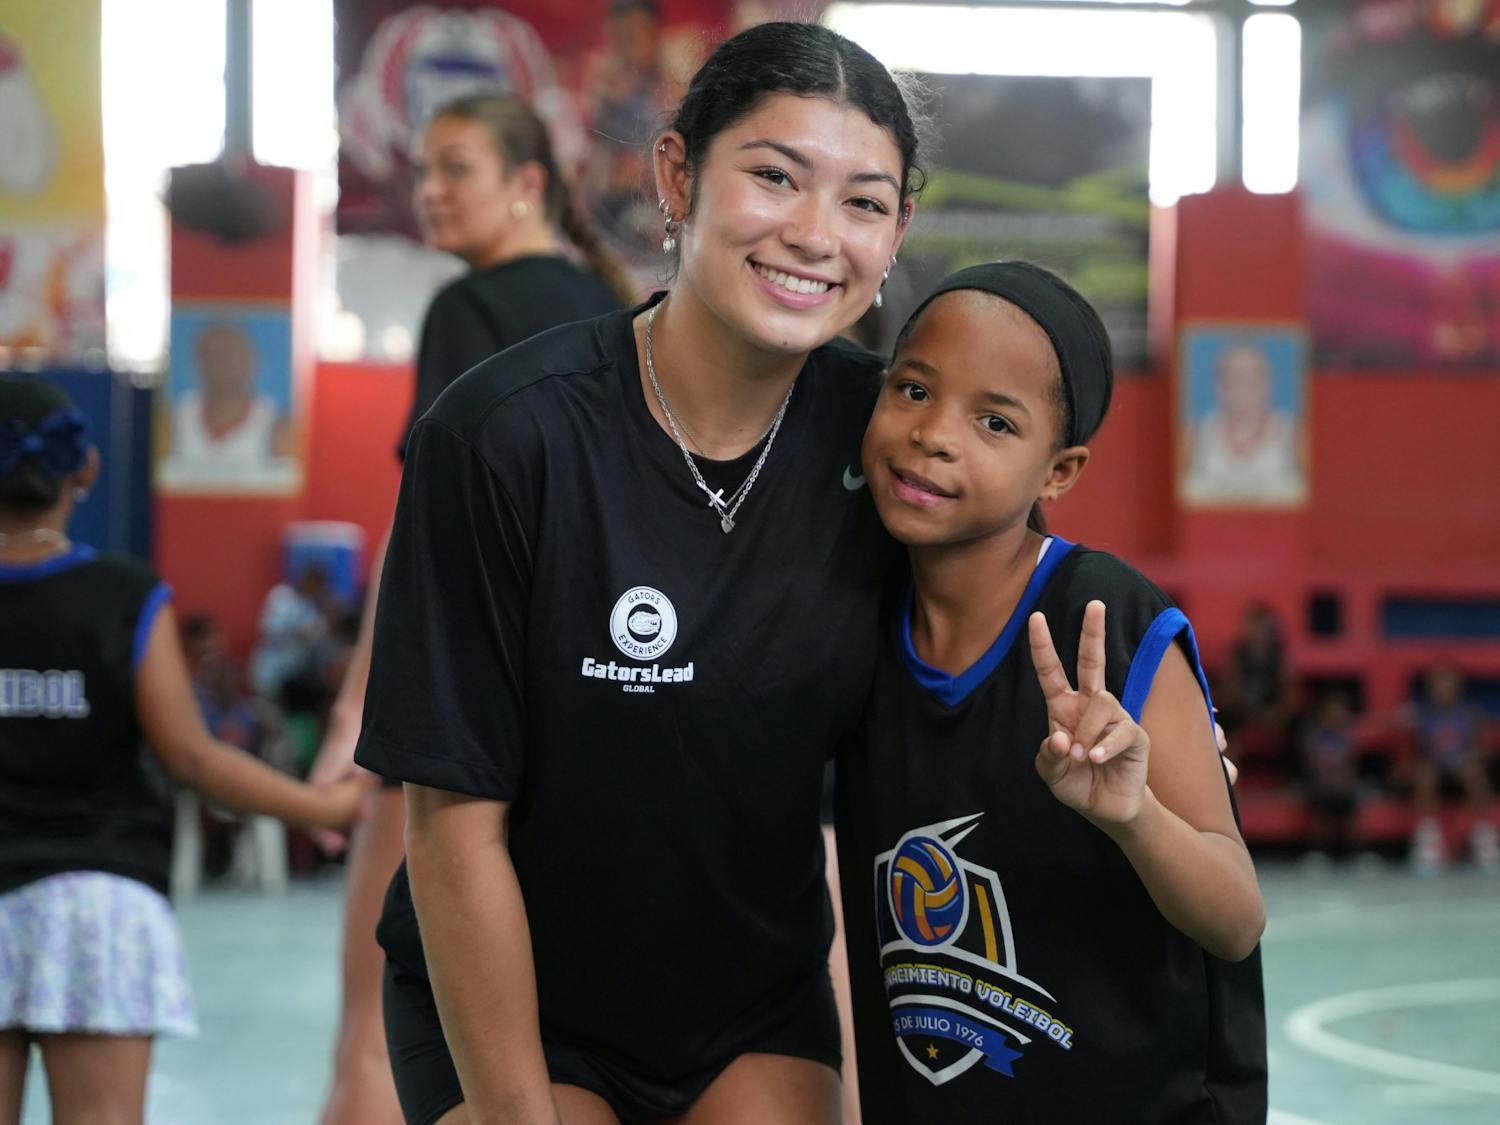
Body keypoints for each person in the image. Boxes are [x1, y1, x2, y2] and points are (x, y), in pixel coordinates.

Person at [352, 22, 920, 1125]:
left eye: (862, 201)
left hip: (748, 1002)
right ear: (676, 175)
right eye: (774, 176)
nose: (814, 234)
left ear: (896, 233)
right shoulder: (502, 437)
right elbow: (453, 822)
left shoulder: (893, 448)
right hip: (515, 995)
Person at [835, 262, 1267, 1121]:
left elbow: (1236, 917)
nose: (934, 435)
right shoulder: (847, 618)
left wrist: (1131, 813)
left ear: (1058, 472)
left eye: (995, 421)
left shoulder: (1108, 617)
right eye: (914, 389)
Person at [310, 92, 633, 1125]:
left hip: (466, 696)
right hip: (599, 711)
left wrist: (360, 705)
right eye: (420, 173)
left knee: (370, 1034)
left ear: (527, 184)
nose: (429, 194)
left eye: (455, 169)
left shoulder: (471, 307)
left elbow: (424, 531)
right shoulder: (617, 309)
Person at [0, 376, 364, 1125]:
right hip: (97, 899)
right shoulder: (124, 595)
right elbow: (193, 757)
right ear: (87, 469)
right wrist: (322, 804)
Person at [160, 321, 297, 488]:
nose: (222, 366)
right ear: (197, 363)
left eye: (230, 356)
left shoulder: (279, 428)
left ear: (251, 361)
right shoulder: (173, 422)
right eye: (212, 357)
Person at [1184, 340, 1304, 503]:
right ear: (1219, 385)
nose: (1245, 383)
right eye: (1235, 374)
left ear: (1268, 382)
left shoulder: (1295, 435)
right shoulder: (1195, 435)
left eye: (1254, 374)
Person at [1407, 664, 1497, 872]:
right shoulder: (1421, 715)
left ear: (1457, 688)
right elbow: (1414, 751)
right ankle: (1429, 839)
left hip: (1463, 768)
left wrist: (1470, 757)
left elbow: (1483, 749)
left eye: (1448, 685)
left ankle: (1483, 836)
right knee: (1424, 773)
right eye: (1438, 685)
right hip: (1435, 769)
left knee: (1474, 772)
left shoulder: (1470, 713)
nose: (1443, 690)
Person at [1300, 690, 1362, 861]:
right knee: (1322, 802)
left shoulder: (1347, 736)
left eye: (1340, 710)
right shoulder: (1312, 735)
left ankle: (1353, 853)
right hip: (1318, 783)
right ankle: (1318, 851)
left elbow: (1351, 766)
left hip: (1342, 784)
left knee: (1352, 797)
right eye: (1332, 710)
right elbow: (1311, 765)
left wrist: (1343, 780)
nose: (1336, 714)